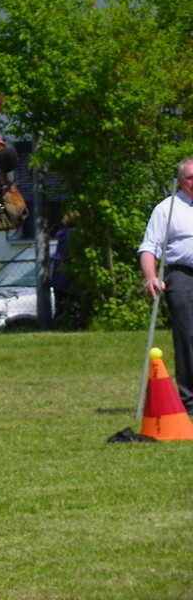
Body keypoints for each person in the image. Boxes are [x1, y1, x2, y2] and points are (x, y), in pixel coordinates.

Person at [138, 157, 193, 415]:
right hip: (182, 276)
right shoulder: (167, 208)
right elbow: (149, 247)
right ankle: (190, 398)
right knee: (187, 335)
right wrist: (151, 277)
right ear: (180, 181)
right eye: (190, 178)